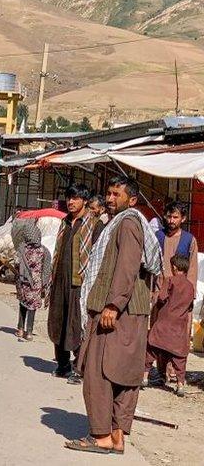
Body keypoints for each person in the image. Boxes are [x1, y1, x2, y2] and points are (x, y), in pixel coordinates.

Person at [66, 176, 162, 455]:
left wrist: (113, 305)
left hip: (118, 311)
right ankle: (117, 436)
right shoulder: (121, 223)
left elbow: (128, 266)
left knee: (98, 372)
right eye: (108, 193)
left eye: (115, 194)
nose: (109, 198)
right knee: (122, 374)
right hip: (130, 311)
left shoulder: (128, 223)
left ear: (131, 200)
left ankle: (101, 436)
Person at [48, 183, 104, 384]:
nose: (71, 202)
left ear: (85, 201)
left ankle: (78, 367)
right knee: (58, 321)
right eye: (69, 198)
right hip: (60, 281)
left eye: (75, 198)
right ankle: (62, 364)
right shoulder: (65, 223)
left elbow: (98, 256)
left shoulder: (95, 225)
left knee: (77, 324)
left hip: (80, 284)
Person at [143, 254, 195, 397]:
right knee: (179, 357)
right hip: (179, 327)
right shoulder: (190, 286)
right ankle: (180, 385)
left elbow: (162, 297)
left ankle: (144, 377)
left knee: (151, 349)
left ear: (174, 267)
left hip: (165, 324)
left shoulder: (170, 280)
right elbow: (190, 307)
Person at [12, 219, 51, 342]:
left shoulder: (22, 249)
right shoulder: (44, 251)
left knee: (22, 303)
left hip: (23, 281)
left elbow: (16, 264)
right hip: (36, 283)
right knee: (32, 307)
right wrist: (44, 283)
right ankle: (29, 332)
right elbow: (47, 268)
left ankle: (19, 329)